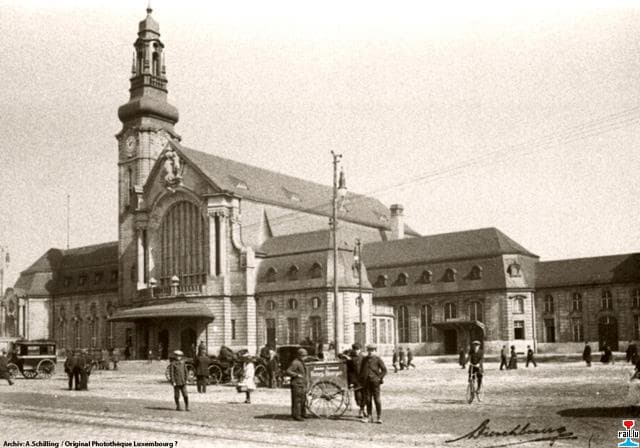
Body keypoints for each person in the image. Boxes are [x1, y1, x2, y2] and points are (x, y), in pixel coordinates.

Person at [360, 344, 386, 424]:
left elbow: (384, 370)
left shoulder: (378, 359)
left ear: (375, 351)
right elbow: (361, 370)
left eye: (372, 350)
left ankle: (379, 417)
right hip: (366, 382)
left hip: (375, 382)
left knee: (377, 399)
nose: (370, 352)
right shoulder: (364, 359)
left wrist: (379, 378)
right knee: (368, 399)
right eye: (369, 350)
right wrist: (362, 379)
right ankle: (369, 416)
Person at [286, 348, 308, 421]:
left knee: (302, 400)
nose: (305, 357)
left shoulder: (301, 362)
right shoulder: (295, 363)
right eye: (304, 356)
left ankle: (302, 414)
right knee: (297, 400)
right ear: (300, 356)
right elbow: (288, 371)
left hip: (301, 384)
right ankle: (297, 416)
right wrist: (296, 375)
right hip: (297, 384)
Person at [349, 343, 367, 418]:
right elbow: (349, 371)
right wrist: (351, 381)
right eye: (355, 349)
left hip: (363, 379)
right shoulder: (351, 358)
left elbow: (366, 369)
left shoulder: (363, 358)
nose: (356, 351)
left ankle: (362, 410)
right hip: (355, 380)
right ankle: (361, 408)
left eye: (357, 349)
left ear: (360, 350)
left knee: (365, 395)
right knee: (358, 397)